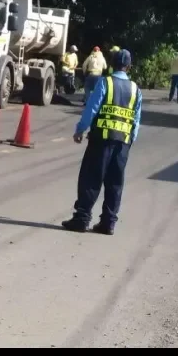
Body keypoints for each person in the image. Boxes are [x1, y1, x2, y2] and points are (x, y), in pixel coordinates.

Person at [62, 49, 143, 236]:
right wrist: (130, 140)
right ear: (129, 67)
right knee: (115, 182)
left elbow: (92, 108)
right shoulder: (135, 89)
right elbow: (136, 120)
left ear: (111, 64)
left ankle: (81, 219)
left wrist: (80, 129)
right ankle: (108, 223)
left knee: (91, 178)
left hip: (101, 140)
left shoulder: (105, 82)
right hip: (123, 143)